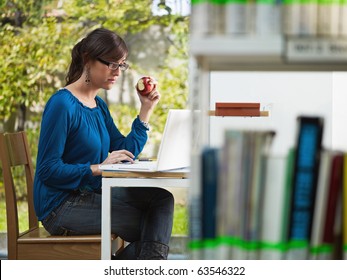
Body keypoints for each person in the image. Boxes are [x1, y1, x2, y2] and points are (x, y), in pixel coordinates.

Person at [33, 27, 174, 260]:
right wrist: (98, 168)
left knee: (161, 200)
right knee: (154, 228)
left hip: (92, 193)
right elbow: (48, 170)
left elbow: (124, 149)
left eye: (121, 65)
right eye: (112, 64)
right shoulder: (62, 105)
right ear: (88, 59)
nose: (117, 72)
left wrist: (145, 110)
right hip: (60, 206)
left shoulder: (98, 106)